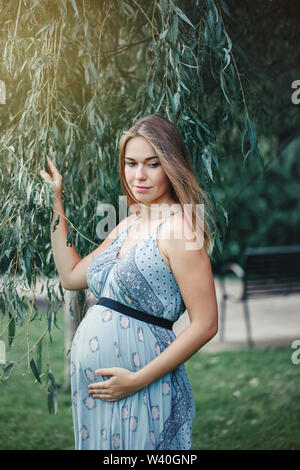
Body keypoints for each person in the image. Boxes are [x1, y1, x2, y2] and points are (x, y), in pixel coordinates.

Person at [40, 114, 218, 450]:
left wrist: (137, 380)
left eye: (152, 164)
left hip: (141, 384)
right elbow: (71, 275)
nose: (139, 175)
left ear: (171, 165)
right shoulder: (127, 225)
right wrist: (56, 199)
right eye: (130, 163)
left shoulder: (180, 229)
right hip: (101, 395)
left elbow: (206, 324)